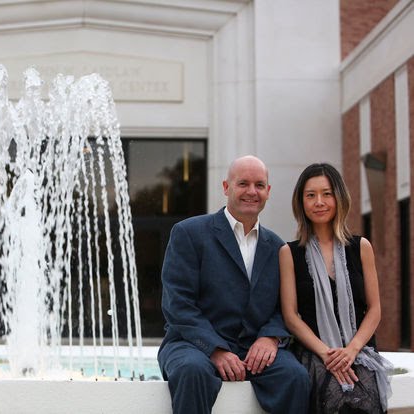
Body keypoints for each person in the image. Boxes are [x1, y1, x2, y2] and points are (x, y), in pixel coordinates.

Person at [158, 155, 310, 414]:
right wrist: (216, 350)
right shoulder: (188, 233)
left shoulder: (278, 247)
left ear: (268, 192)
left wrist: (271, 337)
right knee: (192, 371)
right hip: (192, 344)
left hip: (253, 347)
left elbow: (284, 306)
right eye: (243, 184)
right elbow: (178, 305)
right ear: (226, 187)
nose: (252, 191)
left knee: (295, 376)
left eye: (259, 185)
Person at [279, 163, 393, 413]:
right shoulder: (289, 253)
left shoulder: (361, 247)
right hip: (315, 351)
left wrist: (351, 350)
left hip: (359, 348)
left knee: (365, 394)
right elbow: (291, 316)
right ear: (301, 203)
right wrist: (327, 354)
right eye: (310, 195)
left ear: (339, 198)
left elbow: (374, 309)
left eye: (326, 193)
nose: (319, 202)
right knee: (329, 394)